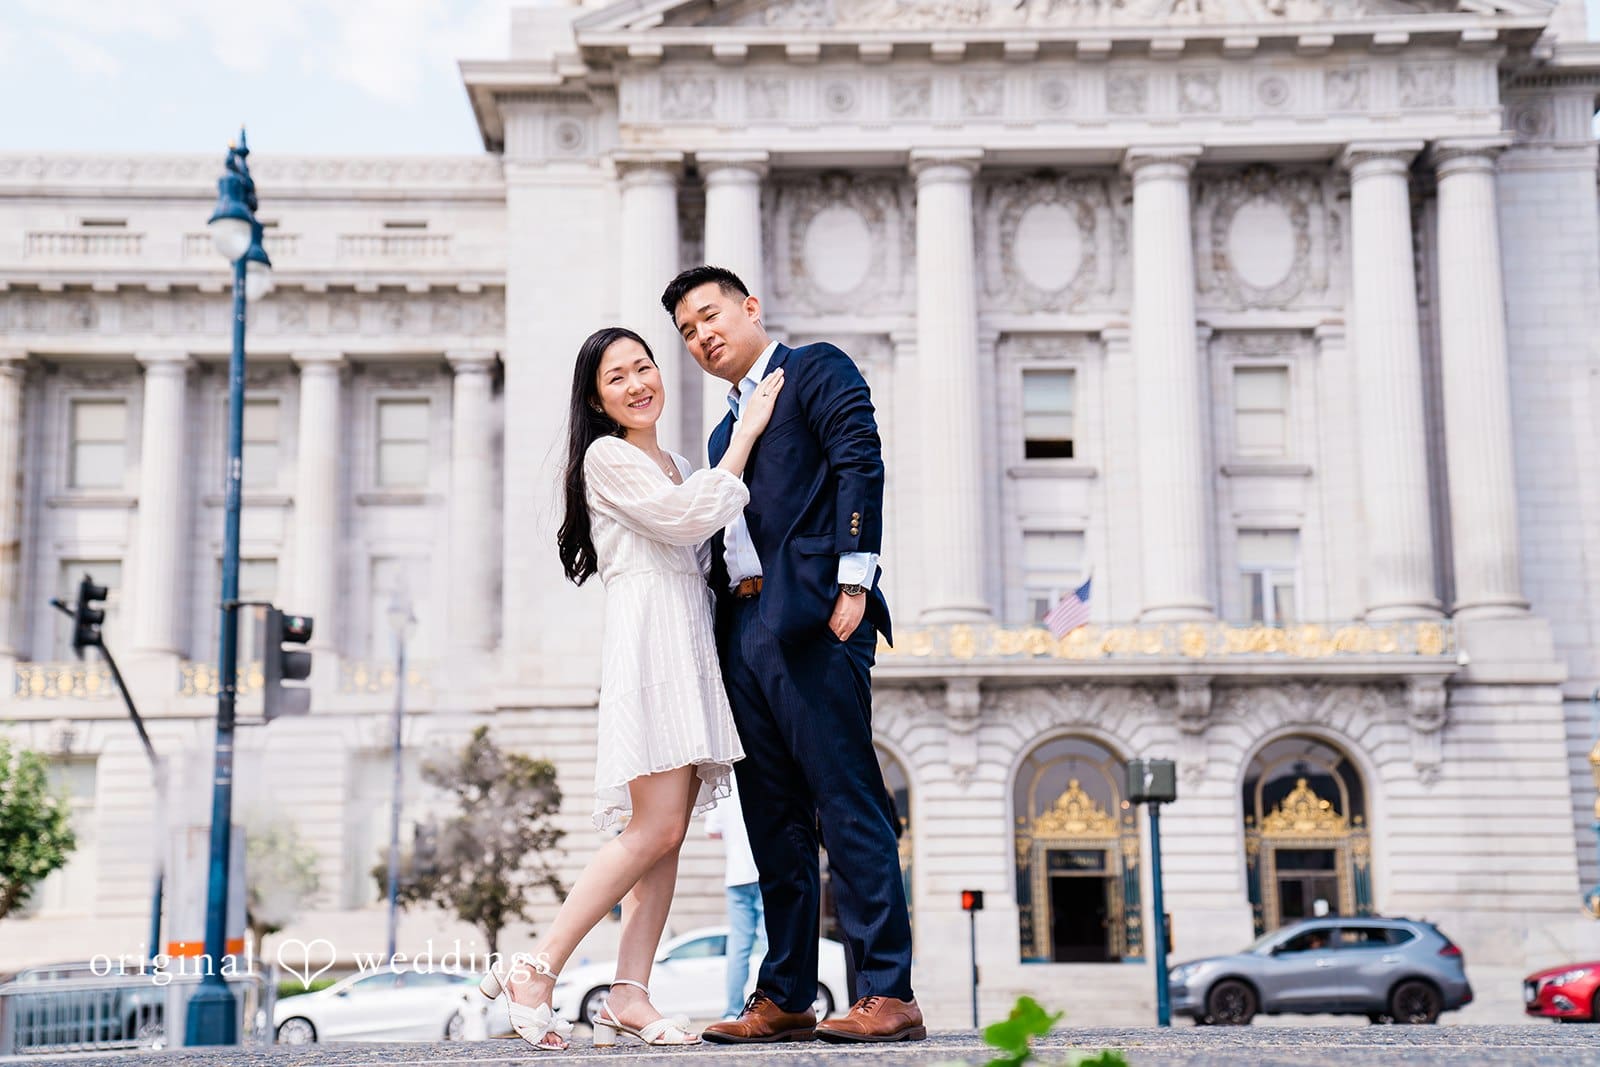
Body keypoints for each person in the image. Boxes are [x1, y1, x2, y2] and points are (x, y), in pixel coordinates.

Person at [478, 325, 785, 1051]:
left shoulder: (677, 462)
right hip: (649, 638)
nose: (637, 384)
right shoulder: (606, 456)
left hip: (688, 636)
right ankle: (537, 967)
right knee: (653, 829)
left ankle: (629, 993)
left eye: (644, 367)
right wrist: (745, 434)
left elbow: (706, 543)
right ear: (596, 399)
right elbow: (685, 521)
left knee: (666, 837)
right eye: (616, 377)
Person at [662, 266, 924, 1044]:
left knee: (847, 801)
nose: (702, 336)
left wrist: (854, 581)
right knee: (771, 820)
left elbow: (859, 461)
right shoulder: (724, 435)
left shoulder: (815, 369)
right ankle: (785, 993)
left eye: (710, 316)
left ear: (750, 308)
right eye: (687, 331)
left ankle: (888, 991)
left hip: (815, 617)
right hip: (742, 628)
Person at [704, 774, 765, 1020]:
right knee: (770, 942)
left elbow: (712, 831)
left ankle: (732, 1011)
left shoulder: (723, 781)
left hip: (736, 876)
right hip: (763, 872)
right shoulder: (760, 776)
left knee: (739, 948)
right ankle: (772, 1001)